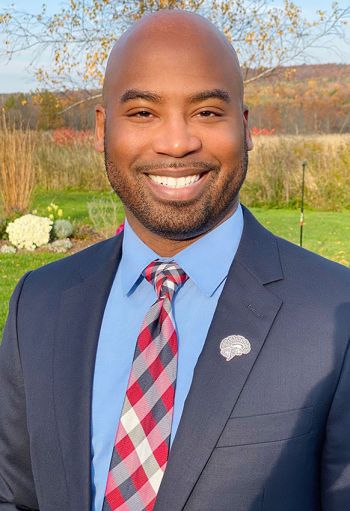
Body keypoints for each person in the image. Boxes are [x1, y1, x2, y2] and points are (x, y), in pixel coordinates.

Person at [0, 9, 349, 511]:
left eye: (207, 112)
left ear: (245, 127)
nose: (177, 142)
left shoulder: (334, 315)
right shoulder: (39, 304)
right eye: (143, 112)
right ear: (103, 129)